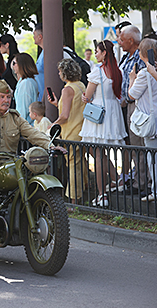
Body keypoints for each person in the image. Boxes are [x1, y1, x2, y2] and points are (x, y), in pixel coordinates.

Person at [0, 79, 60, 177]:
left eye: (9, 97)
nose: (6, 101)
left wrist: (51, 146)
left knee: (29, 179)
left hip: (10, 164)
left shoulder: (15, 118)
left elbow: (33, 133)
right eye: (2, 97)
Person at [80, 40, 127, 207]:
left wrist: (84, 97)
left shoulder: (96, 72)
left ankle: (102, 195)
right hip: (113, 114)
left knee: (98, 154)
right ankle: (117, 180)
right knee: (104, 152)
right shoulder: (117, 71)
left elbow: (88, 96)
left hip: (99, 115)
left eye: (97, 51)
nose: (95, 54)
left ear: (104, 53)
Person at [47, 58, 87, 202]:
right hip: (81, 130)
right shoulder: (80, 85)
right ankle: (83, 192)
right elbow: (75, 107)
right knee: (80, 163)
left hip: (70, 132)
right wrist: (57, 103)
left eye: (59, 71)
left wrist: (52, 124)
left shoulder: (67, 89)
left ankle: (74, 199)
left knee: (72, 166)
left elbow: (65, 116)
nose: (58, 74)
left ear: (65, 73)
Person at [119, 25, 148, 194]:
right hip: (129, 104)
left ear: (131, 41)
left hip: (136, 104)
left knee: (140, 145)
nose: (119, 42)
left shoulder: (139, 57)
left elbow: (139, 86)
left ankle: (143, 184)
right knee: (136, 145)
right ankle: (139, 181)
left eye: (122, 39)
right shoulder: (126, 57)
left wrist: (128, 96)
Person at [128, 39, 157, 201]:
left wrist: (132, 78)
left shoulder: (145, 73)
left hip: (150, 120)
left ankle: (155, 191)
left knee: (152, 157)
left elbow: (131, 95)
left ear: (142, 53)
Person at [12, 52, 38, 124]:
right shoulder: (28, 81)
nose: (13, 66)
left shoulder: (26, 83)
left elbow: (22, 109)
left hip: (26, 126)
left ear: (21, 64)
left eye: (14, 63)